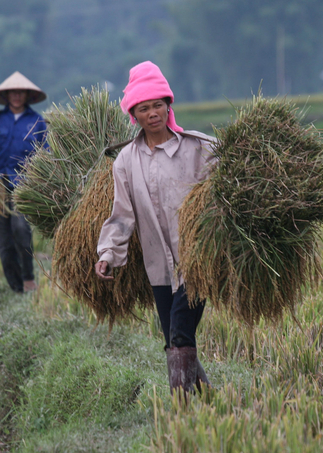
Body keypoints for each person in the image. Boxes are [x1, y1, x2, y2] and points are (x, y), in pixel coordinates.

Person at [95, 61, 217, 395]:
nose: (153, 113)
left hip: (197, 261)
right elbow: (122, 216)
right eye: (145, 108)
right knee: (174, 339)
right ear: (134, 114)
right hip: (159, 267)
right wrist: (108, 254)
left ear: (168, 106)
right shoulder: (126, 161)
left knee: (179, 332)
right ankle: (208, 402)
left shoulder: (200, 149)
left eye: (158, 105)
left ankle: (182, 411)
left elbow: (226, 193)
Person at [0, 71, 48, 294]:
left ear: (26, 95)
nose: (16, 95)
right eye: (12, 92)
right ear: (6, 95)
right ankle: (16, 287)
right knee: (4, 242)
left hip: (23, 186)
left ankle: (28, 277)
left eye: (20, 92)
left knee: (21, 229)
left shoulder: (37, 122)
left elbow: (47, 153)